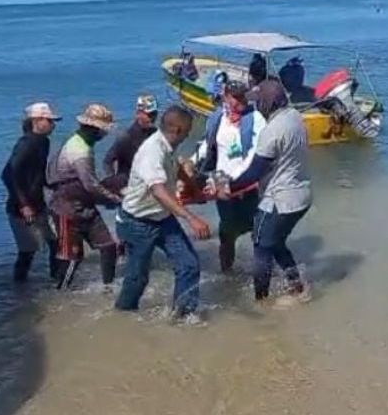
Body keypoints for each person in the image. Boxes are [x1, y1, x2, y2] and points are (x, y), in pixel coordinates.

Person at [114, 106, 212, 319]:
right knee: (137, 278)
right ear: (177, 130)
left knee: (189, 265)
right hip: (137, 222)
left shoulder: (168, 145)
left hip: (162, 218)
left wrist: (194, 188)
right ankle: (122, 318)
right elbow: (158, 191)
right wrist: (191, 218)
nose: (188, 135)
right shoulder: (152, 151)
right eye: (187, 131)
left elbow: (175, 167)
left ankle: (183, 316)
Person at [224, 80, 312, 306]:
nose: (257, 106)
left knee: (261, 245)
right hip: (302, 196)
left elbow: (254, 172)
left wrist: (228, 188)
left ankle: (261, 300)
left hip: (278, 200)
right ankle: (296, 286)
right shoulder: (295, 117)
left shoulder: (272, 131)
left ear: (269, 103)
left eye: (259, 102)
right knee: (277, 241)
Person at [191, 80, 266, 273]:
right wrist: (192, 162)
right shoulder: (217, 117)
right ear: (225, 96)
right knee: (227, 232)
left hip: (248, 183)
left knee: (257, 230)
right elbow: (207, 146)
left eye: (242, 96)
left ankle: (262, 272)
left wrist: (236, 180)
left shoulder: (255, 118)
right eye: (235, 97)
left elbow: (254, 153)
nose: (239, 101)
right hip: (220, 179)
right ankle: (227, 273)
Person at [46, 103, 122, 289]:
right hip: (66, 207)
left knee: (108, 246)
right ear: (95, 129)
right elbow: (91, 184)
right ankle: (60, 295)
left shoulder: (78, 142)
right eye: (103, 131)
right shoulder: (79, 150)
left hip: (83, 205)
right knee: (72, 257)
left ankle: (107, 287)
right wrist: (114, 199)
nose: (104, 135)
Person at [1, 102, 61, 283]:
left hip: (38, 204)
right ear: (37, 121)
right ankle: (20, 290)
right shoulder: (26, 144)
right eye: (49, 121)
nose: (53, 125)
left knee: (55, 242)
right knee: (28, 252)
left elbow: (36, 172)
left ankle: (57, 281)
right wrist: (24, 204)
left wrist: (51, 185)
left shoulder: (43, 142)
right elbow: (7, 174)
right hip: (20, 208)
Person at [101, 94, 160, 193]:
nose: (152, 118)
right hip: (129, 186)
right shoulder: (126, 137)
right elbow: (107, 161)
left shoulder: (156, 134)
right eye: (148, 115)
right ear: (138, 114)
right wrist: (115, 182)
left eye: (154, 114)